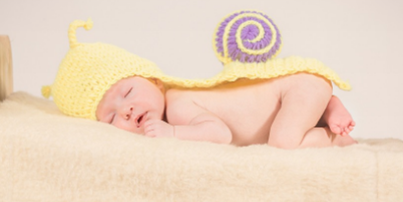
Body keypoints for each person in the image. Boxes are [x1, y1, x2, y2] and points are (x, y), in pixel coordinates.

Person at [95, 73, 356, 149]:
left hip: (298, 89)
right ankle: (325, 108)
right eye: (111, 117)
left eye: (128, 93)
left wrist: (172, 132)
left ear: (155, 82)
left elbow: (220, 134)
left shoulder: (177, 106)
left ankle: (334, 137)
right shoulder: (176, 103)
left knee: (283, 142)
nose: (125, 110)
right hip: (296, 95)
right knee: (286, 129)